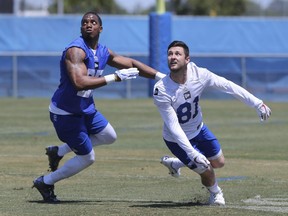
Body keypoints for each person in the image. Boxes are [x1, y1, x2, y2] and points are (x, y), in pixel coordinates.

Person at [32, 11, 165, 203]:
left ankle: (58, 152)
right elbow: (79, 82)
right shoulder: (75, 51)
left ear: (100, 28)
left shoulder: (103, 51)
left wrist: (162, 77)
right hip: (66, 112)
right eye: (85, 22)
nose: (88, 24)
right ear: (81, 27)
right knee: (87, 158)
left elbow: (132, 64)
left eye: (93, 22)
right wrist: (114, 77)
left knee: (109, 135)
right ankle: (45, 181)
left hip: (85, 107)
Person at [153, 40, 271, 206]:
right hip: (177, 139)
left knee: (219, 162)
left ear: (187, 59)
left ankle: (175, 163)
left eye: (177, 54)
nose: (173, 57)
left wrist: (257, 103)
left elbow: (228, 86)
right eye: (170, 54)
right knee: (206, 169)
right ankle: (216, 194)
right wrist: (192, 153)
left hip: (199, 129)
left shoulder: (200, 74)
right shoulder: (162, 89)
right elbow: (174, 127)